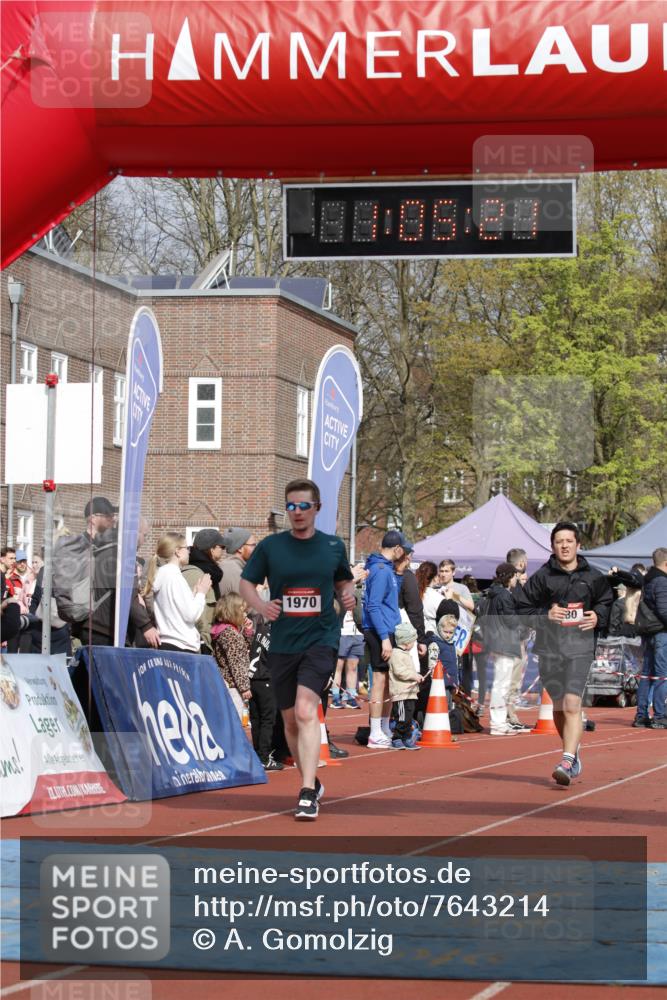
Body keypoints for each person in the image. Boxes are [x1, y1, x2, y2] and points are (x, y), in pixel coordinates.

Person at [239, 478, 354, 821]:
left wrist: (348, 595)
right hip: (283, 642)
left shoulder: (333, 546)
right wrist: (261, 605)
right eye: (291, 506)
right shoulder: (272, 547)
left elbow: (343, 580)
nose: (298, 512)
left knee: (306, 711)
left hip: (321, 638)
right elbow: (247, 582)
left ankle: (306, 792)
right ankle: (312, 781)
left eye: (304, 506)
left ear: (317, 508)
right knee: (290, 720)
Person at [515, 521, 613, 785]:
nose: (565, 546)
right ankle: (572, 750)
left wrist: (597, 616)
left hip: (580, 649)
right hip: (550, 649)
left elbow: (607, 602)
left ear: (578, 545)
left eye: (569, 541)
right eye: (559, 542)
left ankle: (567, 760)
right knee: (558, 709)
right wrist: (545, 615)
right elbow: (521, 610)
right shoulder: (542, 577)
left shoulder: (593, 577)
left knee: (572, 704)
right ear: (553, 547)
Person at [361, 530, 411, 750]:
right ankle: (374, 731)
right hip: (379, 630)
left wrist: (398, 574)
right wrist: (384, 638)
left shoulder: (386, 569)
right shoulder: (380, 570)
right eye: (404, 550)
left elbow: (388, 599)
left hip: (386, 628)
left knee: (388, 681)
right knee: (380, 680)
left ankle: (382, 726)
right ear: (397, 549)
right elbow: (373, 605)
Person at [146, 532, 212, 653]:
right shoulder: (174, 576)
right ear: (177, 551)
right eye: (186, 548)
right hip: (180, 646)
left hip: (168, 644)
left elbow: (176, 611)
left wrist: (194, 594)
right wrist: (201, 593)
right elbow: (191, 615)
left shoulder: (163, 573)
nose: (189, 551)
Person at [485, 562, 529, 735]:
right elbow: (511, 620)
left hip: (497, 640)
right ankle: (498, 723)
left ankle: (500, 720)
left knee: (501, 682)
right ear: (509, 577)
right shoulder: (504, 595)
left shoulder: (493, 593)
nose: (516, 580)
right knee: (501, 683)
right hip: (505, 641)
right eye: (514, 576)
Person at [636, 547, 667, 730]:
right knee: (661, 676)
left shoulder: (648, 580)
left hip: (648, 632)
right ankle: (660, 715)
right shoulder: (662, 581)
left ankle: (641, 715)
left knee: (647, 674)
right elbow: (664, 610)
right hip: (661, 632)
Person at [181, 528, 226, 653]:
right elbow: (198, 612)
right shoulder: (197, 573)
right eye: (221, 547)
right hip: (198, 642)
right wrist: (204, 643)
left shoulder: (208, 571)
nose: (224, 550)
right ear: (211, 549)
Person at [210, 592, 252, 721]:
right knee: (237, 721)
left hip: (225, 681)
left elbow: (240, 650)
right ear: (232, 611)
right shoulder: (230, 634)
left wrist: (247, 632)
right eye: (242, 611)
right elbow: (237, 661)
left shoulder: (222, 629)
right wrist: (244, 687)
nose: (244, 614)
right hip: (233, 685)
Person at [331, 564, 367, 710]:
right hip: (343, 632)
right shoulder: (341, 588)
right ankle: (335, 697)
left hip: (356, 633)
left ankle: (351, 697)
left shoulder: (360, 591)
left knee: (352, 667)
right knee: (338, 667)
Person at [388, 621, 423, 750]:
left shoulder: (405, 654)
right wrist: (414, 676)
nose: (414, 644)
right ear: (406, 642)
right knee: (402, 718)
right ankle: (397, 738)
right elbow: (400, 671)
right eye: (413, 641)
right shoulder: (396, 654)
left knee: (408, 718)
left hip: (410, 693)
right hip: (401, 693)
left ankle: (406, 738)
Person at [219, 529, 257, 596]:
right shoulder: (233, 570)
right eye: (253, 545)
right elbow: (244, 604)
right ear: (240, 548)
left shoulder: (233, 566)